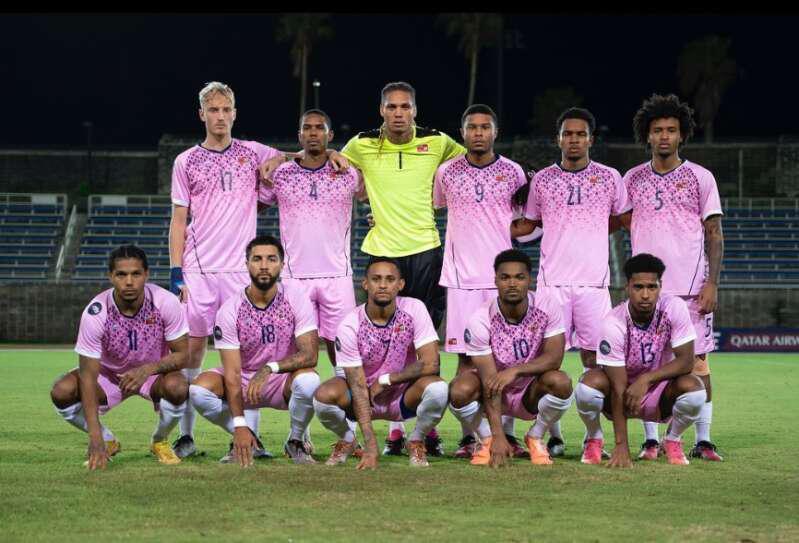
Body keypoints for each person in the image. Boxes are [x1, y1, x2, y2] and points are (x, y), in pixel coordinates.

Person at [339, 81, 466, 456]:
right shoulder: (361, 144)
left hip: (425, 251)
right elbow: (336, 165)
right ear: (381, 110)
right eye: (391, 107)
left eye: (405, 106)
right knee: (386, 344)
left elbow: (468, 164)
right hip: (382, 252)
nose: (398, 113)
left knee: (424, 342)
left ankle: (426, 431)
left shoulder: (437, 141)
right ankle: (395, 429)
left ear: (415, 110)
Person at [514, 107, 628, 458]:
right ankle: (551, 436)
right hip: (552, 285)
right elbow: (529, 224)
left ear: (591, 139)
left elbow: (622, 218)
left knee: (596, 362)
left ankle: (593, 437)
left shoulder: (610, 177)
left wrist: (594, 229)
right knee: (548, 362)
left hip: (593, 285)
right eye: (568, 134)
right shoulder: (543, 180)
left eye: (580, 134)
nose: (574, 140)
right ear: (558, 139)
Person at [618, 93, 724, 461]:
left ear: (682, 134)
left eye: (671, 130)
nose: (664, 136)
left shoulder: (700, 177)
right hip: (647, 290)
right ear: (647, 135)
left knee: (698, 364)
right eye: (658, 130)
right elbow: (620, 220)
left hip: (690, 290)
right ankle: (650, 440)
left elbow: (714, 233)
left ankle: (703, 439)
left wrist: (712, 283)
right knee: (645, 363)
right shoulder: (632, 179)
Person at [432, 104, 530, 459]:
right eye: (472, 127)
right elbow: (438, 207)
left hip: (500, 281)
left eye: (484, 127)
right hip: (461, 281)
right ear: (463, 133)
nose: (478, 133)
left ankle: (508, 435)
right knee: (464, 362)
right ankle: (471, 438)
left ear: (495, 132)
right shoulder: (446, 172)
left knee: (505, 361)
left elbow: (522, 222)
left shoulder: (513, 172)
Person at [50, 245, 190, 469]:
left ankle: (159, 440)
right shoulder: (96, 312)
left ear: (146, 274)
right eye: (121, 274)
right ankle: (108, 440)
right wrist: (95, 437)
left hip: (152, 375)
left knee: (178, 387)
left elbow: (184, 355)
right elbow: (88, 377)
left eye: (136, 274)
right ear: (110, 276)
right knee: (62, 390)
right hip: (109, 376)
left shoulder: (165, 302)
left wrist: (147, 370)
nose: (129, 282)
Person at [188, 236, 320, 466]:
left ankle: (296, 440)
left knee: (310, 381)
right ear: (247, 264)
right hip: (243, 379)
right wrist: (239, 424)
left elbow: (310, 355)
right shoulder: (230, 310)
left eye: (271, 259)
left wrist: (269, 368)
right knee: (198, 391)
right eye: (257, 259)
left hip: (281, 379)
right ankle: (248, 438)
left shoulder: (296, 299)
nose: (264, 265)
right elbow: (232, 373)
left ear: (282, 264)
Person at [312, 257, 448, 469]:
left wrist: (386, 380)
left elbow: (431, 363)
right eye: (376, 279)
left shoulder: (414, 309)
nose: (383, 285)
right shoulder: (350, 324)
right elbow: (357, 385)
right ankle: (348, 439)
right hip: (363, 397)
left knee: (438, 389)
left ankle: (416, 439)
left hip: (402, 395)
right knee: (323, 396)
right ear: (365, 284)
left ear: (400, 284)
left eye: (390, 279)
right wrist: (370, 444)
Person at [575, 253, 707, 466]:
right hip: (622, 393)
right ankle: (594, 438)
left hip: (658, 390)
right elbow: (618, 387)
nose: (645, 295)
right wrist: (621, 446)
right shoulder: (613, 323)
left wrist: (646, 379)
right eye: (638, 287)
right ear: (628, 287)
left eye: (652, 287)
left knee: (695, 389)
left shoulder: (674, 307)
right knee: (587, 386)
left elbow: (686, 361)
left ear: (660, 286)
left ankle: (672, 440)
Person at [260, 109, 365, 369]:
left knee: (344, 353)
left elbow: (374, 194)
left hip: (337, 276)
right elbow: (253, 207)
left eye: (319, 128)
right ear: (300, 135)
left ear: (330, 135)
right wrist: (283, 157)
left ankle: (345, 393)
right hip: (295, 277)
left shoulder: (347, 172)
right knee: (297, 354)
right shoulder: (281, 174)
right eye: (307, 128)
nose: (313, 133)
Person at [448, 249, 572, 467]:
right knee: (459, 390)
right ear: (495, 281)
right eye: (505, 277)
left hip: (529, 390)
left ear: (529, 280)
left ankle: (535, 436)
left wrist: (515, 370)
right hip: (494, 388)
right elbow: (490, 382)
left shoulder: (547, 306)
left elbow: (554, 359)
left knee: (561, 381)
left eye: (519, 277)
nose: (512, 284)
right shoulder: (480, 320)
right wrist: (497, 436)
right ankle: (486, 440)